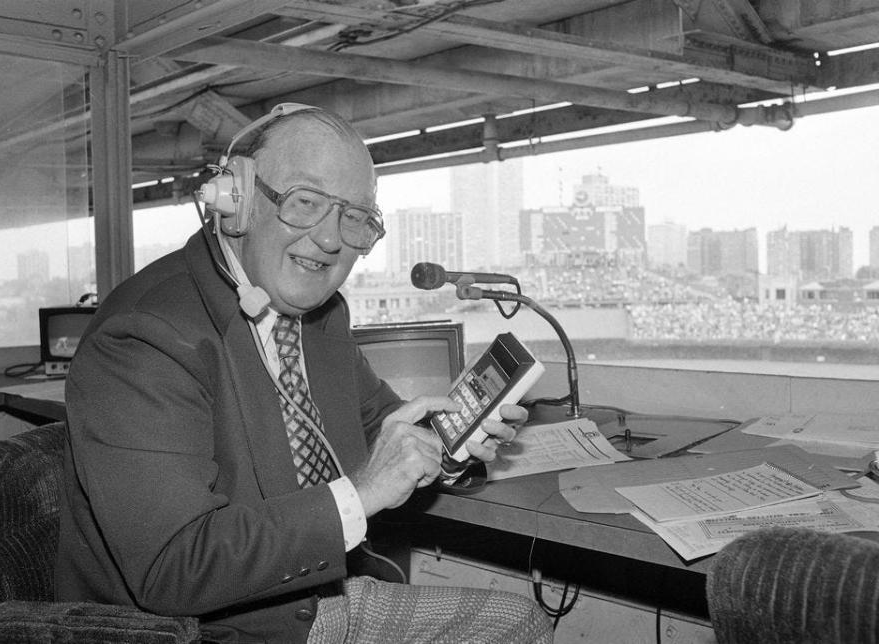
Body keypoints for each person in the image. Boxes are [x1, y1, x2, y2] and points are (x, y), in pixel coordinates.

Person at [55, 104, 553, 643]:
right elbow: (176, 568)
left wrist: (451, 446)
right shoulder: (145, 335)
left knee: (516, 623)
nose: (331, 240)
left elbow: (379, 430)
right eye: (306, 202)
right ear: (236, 200)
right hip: (214, 629)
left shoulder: (320, 317)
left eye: (356, 217)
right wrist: (362, 491)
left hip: (310, 598)